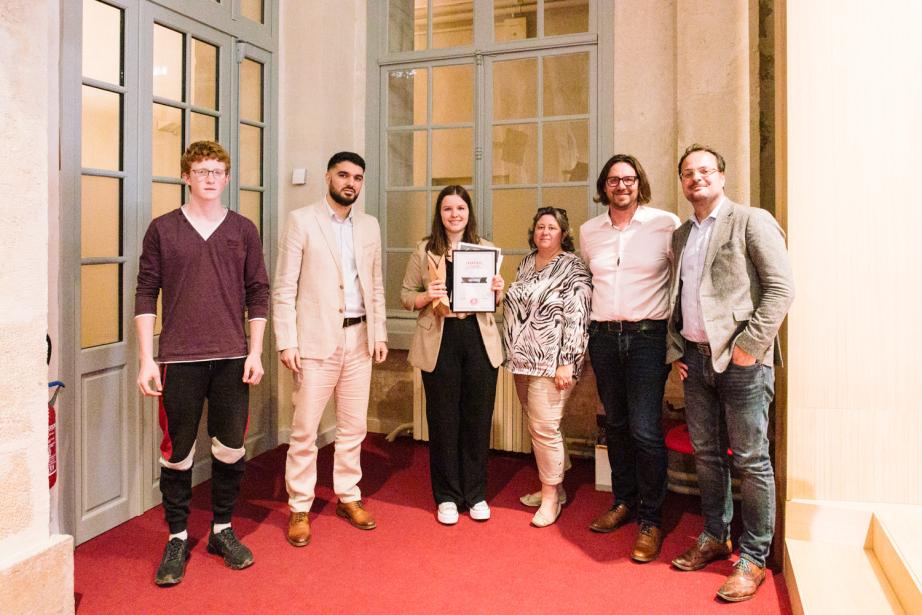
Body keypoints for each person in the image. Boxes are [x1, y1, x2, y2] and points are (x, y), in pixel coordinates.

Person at [135, 140, 269, 586]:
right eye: (202, 171)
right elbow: (145, 291)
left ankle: (222, 530)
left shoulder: (244, 230)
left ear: (226, 178)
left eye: (217, 171)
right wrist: (145, 359)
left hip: (233, 357)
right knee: (178, 454)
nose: (210, 178)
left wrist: (255, 351)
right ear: (186, 176)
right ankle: (176, 536)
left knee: (230, 448)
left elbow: (258, 292)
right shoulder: (163, 229)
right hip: (179, 358)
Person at [667, 144, 794, 602]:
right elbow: (677, 296)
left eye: (704, 171)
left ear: (721, 176)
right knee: (706, 454)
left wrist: (747, 348)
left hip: (742, 364)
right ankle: (715, 536)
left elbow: (781, 289)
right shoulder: (682, 234)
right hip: (696, 362)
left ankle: (754, 557)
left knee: (751, 459)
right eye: (687, 173)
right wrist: (676, 347)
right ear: (682, 183)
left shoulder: (750, 220)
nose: (696, 178)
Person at [273, 151, 388, 547]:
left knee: (354, 427)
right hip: (315, 341)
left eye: (357, 177)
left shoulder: (370, 226)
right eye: (343, 175)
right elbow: (284, 287)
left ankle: (348, 496)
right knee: (305, 429)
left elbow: (375, 285)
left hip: (359, 339)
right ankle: (300, 506)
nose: (350, 183)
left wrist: (380, 334)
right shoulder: (301, 221)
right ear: (328, 177)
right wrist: (286, 340)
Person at [580, 154, 680, 562]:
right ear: (603, 186)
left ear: (640, 183)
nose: (621, 186)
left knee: (644, 429)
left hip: (647, 339)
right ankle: (623, 502)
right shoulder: (590, 232)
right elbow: (588, 281)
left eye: (629, 179)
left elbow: (683, 280)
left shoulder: (665, 224)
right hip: (603, 337)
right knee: (616, 425)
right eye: (613, 180)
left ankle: (651, 520)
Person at [400, 185, 504, 525]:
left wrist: (498, 292)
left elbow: (497, 301)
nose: (455, 214)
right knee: (443, 421)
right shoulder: (424, 251)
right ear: (439, 214)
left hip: (478, 337)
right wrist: (425, 296)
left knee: (477, 419)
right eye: (448, 209)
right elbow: (405, 296)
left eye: (460, 208)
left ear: (469, 212)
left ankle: (475, 494)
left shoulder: (486, 250)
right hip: (440, 340)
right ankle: (446, 496)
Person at [502, 207, 591, 527]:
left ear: (563, 234)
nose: (544, 232)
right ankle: (556, 487)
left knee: (545, 428)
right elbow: (517, 302)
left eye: (551, 228)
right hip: (521, 360)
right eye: (540, 226)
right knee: (539, 426)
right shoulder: (526, 262)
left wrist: (567, 361)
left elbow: (578, 317)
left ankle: (551, 497)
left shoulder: (573, 267)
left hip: (553, 363)